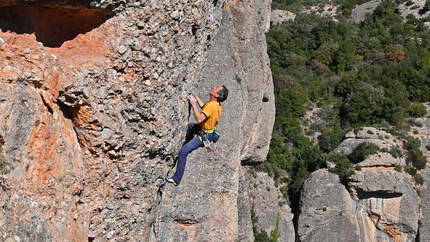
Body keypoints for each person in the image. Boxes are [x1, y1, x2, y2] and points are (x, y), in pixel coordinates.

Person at [167, 85, 228, 186]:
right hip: (209, 132)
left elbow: (199, 119)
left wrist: (193, 104)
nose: (213, 87)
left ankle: (176, 179)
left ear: (216, 95)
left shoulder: (212, 105)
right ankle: (186, 143)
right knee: (190, 127)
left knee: (183, 152)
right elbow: (205, 107)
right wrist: (195, 97)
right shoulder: (216, 104)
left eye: (216, 88)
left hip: (204, 135)